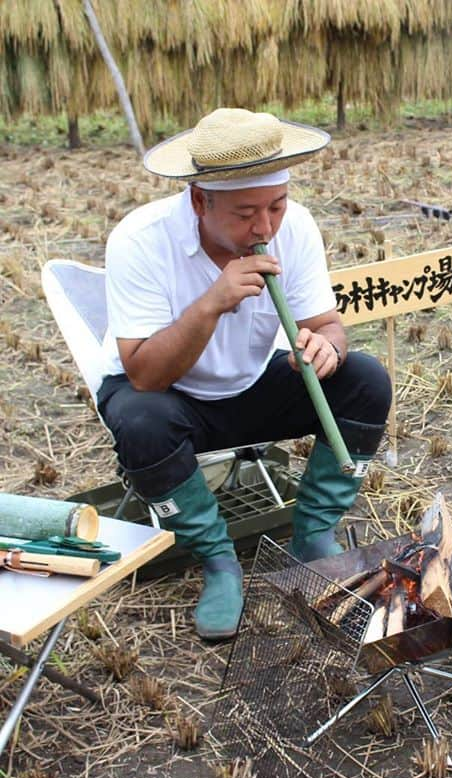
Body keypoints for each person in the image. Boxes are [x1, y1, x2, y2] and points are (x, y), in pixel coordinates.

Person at [98, 108, 392, 640]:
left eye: (275, 206)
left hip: (253, 385)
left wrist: (328, 345)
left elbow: (327, 323)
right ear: (198, 201)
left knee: (366, 380)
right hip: (170, 394)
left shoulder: (294, 227)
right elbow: (144, 375)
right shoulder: (140, 239)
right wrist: (211, 303)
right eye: (244, 213)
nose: (264, 227)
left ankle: (314, 536)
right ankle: (219, 562)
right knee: (140, 420)